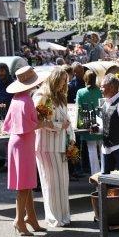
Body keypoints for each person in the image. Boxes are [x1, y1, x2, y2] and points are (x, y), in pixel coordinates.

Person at [2, 66, 47, 236]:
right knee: (23, 184)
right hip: (23, 143)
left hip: (18, 142)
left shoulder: (16, 98)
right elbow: (29, 125)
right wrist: (43, 123)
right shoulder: (26, 100)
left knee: (26, 183)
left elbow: (10, 123)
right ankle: (19, 220)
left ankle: (31, 218)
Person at [33, 67, 74, 227]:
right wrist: (59, 125)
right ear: (55, 79)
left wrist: (71, 137)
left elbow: (66, 119)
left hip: (60, 144)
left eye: (65, 81)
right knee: (51, 182)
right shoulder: (41, 96)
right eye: (62, 80)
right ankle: (54, 217)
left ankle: (63, 216)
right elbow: (37, 121)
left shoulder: (59, 96)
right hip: (47, 145)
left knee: (62, 181)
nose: (64, 84)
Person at [75, 70, 103, 175]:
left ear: (85, 79)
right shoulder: (100, 91)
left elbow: (78, 109)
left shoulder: (80, 92)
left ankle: (95, 175)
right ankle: (104, 173)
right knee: (102, 149)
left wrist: (78, 125)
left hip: (88, 123)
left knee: (92, 151)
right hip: (101, 122)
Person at [99, 74, 119, 174]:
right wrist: (98, 129)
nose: (100, 89)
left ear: (111, 87)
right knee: (105, 182)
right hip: (106, 149)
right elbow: (107, 125)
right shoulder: (105, 103)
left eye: (102, 86)